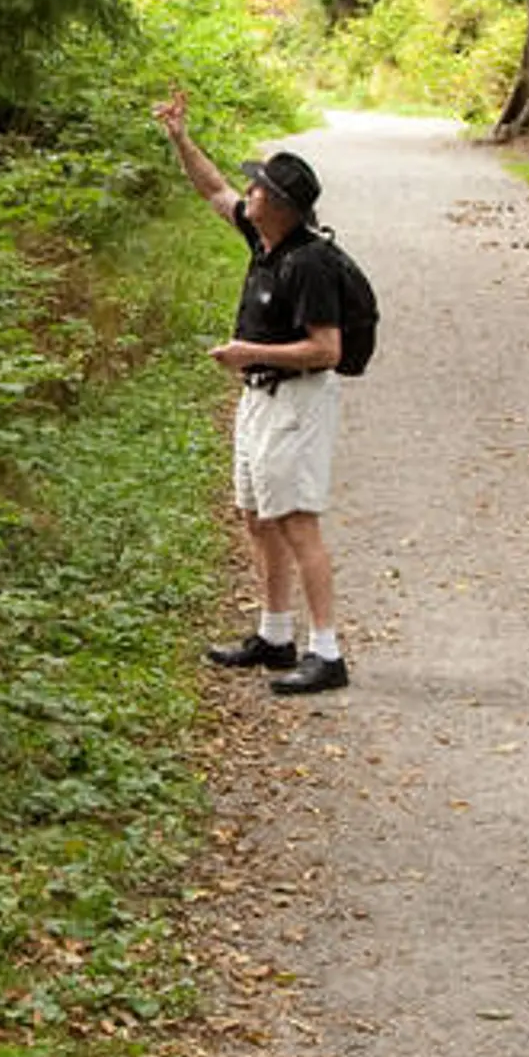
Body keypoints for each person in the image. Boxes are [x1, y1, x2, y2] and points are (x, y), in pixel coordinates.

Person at [155, 92, 350, 696]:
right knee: (255, 515)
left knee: (296, 522)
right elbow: (214, 191)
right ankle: (275, 635)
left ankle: (327, 651)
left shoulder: (308, 263)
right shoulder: (261, 239)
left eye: (261, 189)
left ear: (285, 207)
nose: (250, 194)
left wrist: (250, 354)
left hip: (296, 402)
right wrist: (181, 139)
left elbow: (328, 350)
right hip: (259, 400)